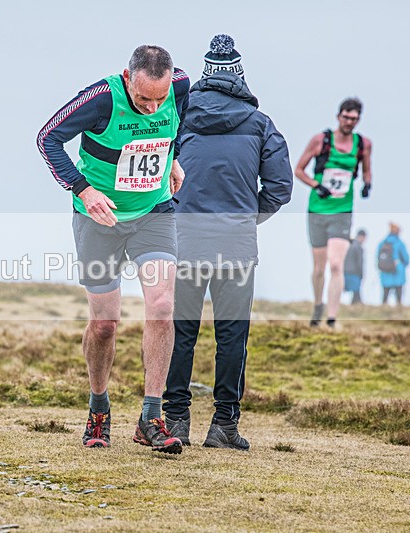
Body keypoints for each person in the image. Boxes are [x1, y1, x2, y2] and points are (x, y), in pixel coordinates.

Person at [37, 45, 189, 453]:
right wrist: (84, 191)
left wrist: (171, 158)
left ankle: (151, 417)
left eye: (159, 99)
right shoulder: (102, 98)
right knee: (105, 323)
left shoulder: (180, 88)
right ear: (127, 78)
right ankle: (98, 408)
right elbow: (47, 138)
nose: (152, 107)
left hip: (154, 213)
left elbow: (176, 126)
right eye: (143, 99)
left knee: (161, 307)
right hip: (98, 219)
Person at [162, 35, 292, 451]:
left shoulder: (179, 118)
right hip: (236, 246)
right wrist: (245, 218)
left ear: (205, 73)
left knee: (180, 333)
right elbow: (280, 187)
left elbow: (155, 172)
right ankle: (223, 426)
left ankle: (175, 421)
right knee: (232, 335)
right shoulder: (260, 124)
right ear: (238, 74)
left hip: (183, 240)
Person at [294, 98, 372, 327]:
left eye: (354, 119)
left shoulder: (363, 144)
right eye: (346, 117)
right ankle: (318, 304)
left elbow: (367, 171)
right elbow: (299, 170)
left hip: (343, 211)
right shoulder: (321, 140)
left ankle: (331, 317)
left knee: (336, 264)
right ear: (338, 116)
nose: (349, 122)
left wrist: (367, 185)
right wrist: (316, 185)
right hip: (318, 209)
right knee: (319, 268)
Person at [377, 223, 410, 307]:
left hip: (385, 273)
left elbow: (378, 257)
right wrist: (402, 265)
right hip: (397, 273)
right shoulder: (399, 243)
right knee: (398, 295)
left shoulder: (382, 243)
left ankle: (383, 308)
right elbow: (406, 259)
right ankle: (399, 309)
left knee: (385, 294)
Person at [344, 229, 367, 305]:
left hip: (345, 271)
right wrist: (361, 274)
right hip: (354, 272)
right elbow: (359, 262)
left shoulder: (349, 245)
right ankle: (357, 306)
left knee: (354, 292)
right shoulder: (358, 247)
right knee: (356, 291)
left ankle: (354, 306)